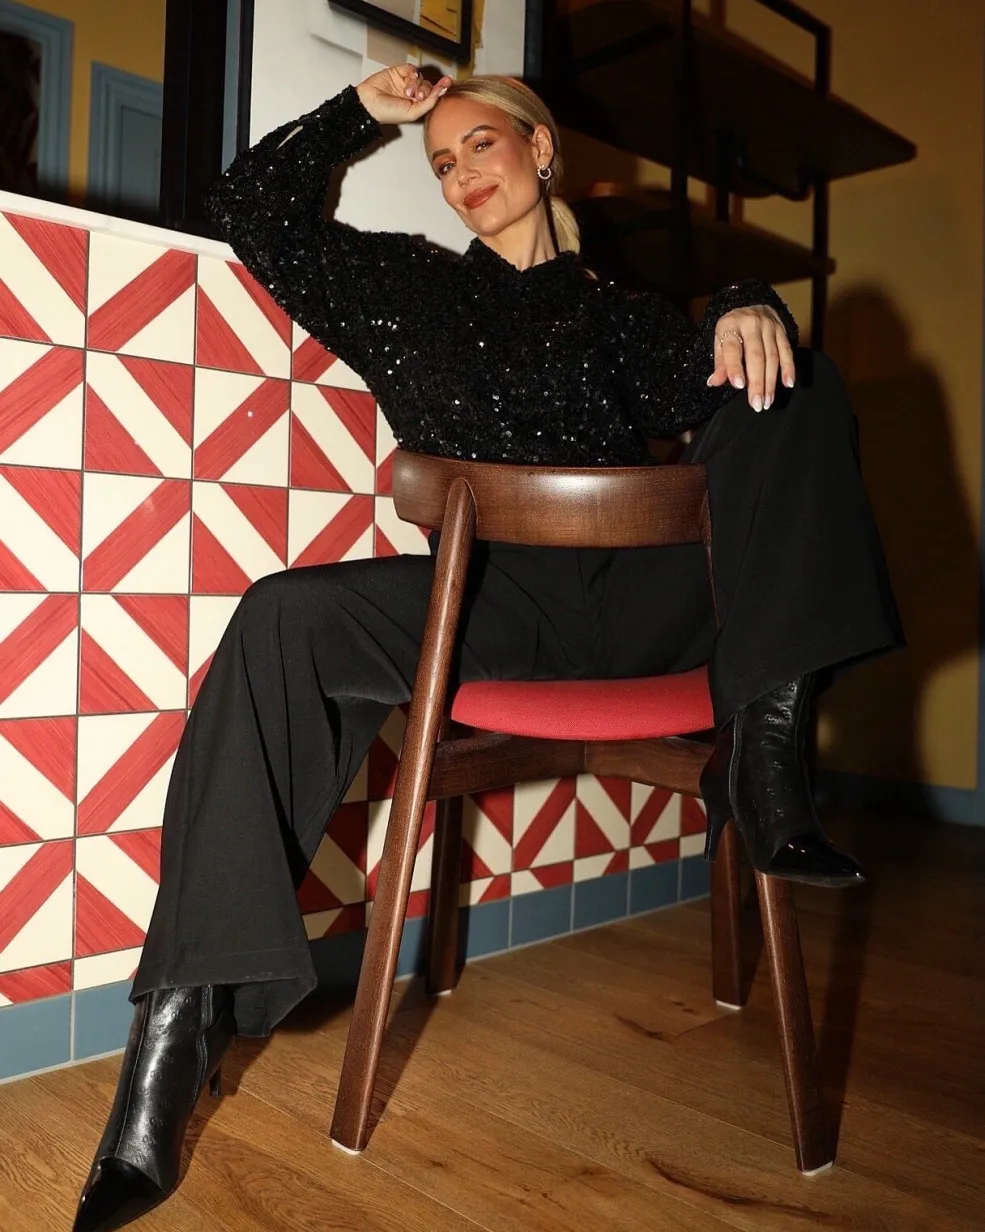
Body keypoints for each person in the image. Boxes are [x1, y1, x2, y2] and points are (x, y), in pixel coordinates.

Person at [72, 64, 903, 1230]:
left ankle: (767, 756)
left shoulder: (626, 315)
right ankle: (177, 1033)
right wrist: (363, 112)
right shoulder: (406, 288)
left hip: (651, 605)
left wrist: (745, 300)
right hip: (497, 605)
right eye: (441, 160)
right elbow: (247, 210)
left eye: (480, 145)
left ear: (541, 149)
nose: (460, 173)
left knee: (793, 383)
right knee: (280, 616)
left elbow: (733, 385)